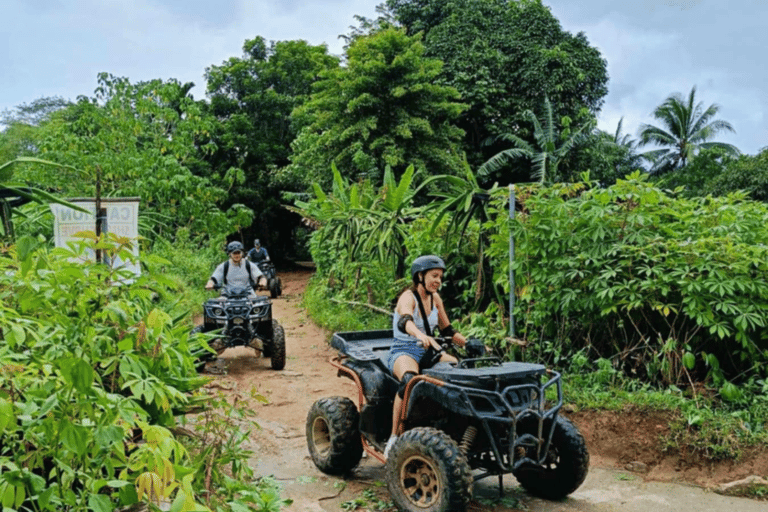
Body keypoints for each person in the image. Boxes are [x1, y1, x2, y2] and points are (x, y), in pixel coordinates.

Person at [384, 255, 484, 458]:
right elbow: (405, 321)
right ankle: (394, 436)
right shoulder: (408, 297)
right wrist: (421, 335)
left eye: (440, 277)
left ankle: (458, 424)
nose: (438, 280)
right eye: (434, 276)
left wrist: (468, 343)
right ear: (420, 276)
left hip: (430, 351)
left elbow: (447, 330)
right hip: (405, 349)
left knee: (460, 370)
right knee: (408, 381)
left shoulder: (435, 298)